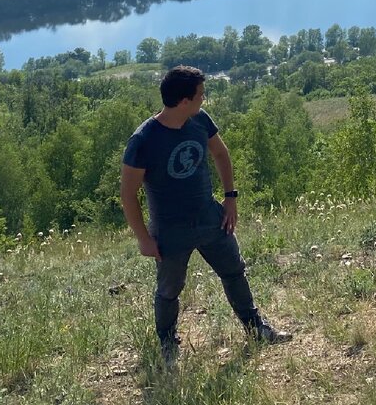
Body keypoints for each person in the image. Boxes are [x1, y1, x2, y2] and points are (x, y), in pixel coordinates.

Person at [120, 65, 291, 361]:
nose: (204, 99)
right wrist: (144, 239)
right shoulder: (144, 140)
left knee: (234, 271)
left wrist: (230, 198)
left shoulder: (200, 120)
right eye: (200, 94)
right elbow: (128, 194)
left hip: (210, 217)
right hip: (170, 230)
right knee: (169, 290)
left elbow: (221, 154)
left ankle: (256, 328)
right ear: (184, 100)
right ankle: (167, 344)